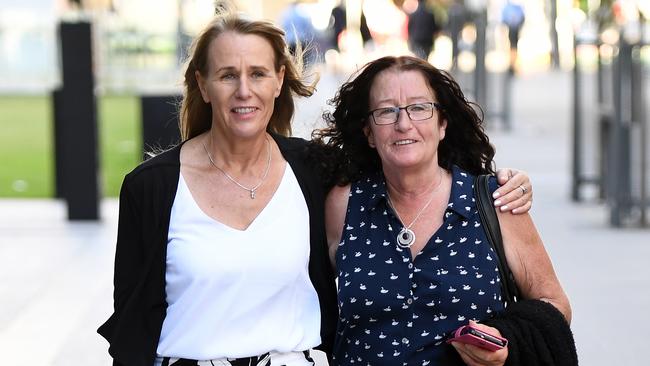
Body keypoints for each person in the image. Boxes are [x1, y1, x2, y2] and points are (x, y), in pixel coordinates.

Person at [97, 10, 534, 366]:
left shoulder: (314, 170)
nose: (244, 90)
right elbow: (133, 326)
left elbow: (405, 152)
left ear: (279, 81)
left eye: (258, 74)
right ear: (202, 85)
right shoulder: (151, 189)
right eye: (227, 75)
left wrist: (500, 182)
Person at [317, 56, 575, 365]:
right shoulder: (343, 203)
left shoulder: (495, 201)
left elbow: (555, 303)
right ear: (369, 132)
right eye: (386, 111)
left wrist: (507, 343)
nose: (403, 124)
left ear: (442, 123)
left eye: (418, 108)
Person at [501, 0, 525, 73]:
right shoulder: (509, 6)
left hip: (514, 29)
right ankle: (512, 64)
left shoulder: (516, 6)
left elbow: (522, 17)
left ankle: (513, 64)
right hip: (510, 29)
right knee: (512, 47)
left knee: (514, 47)